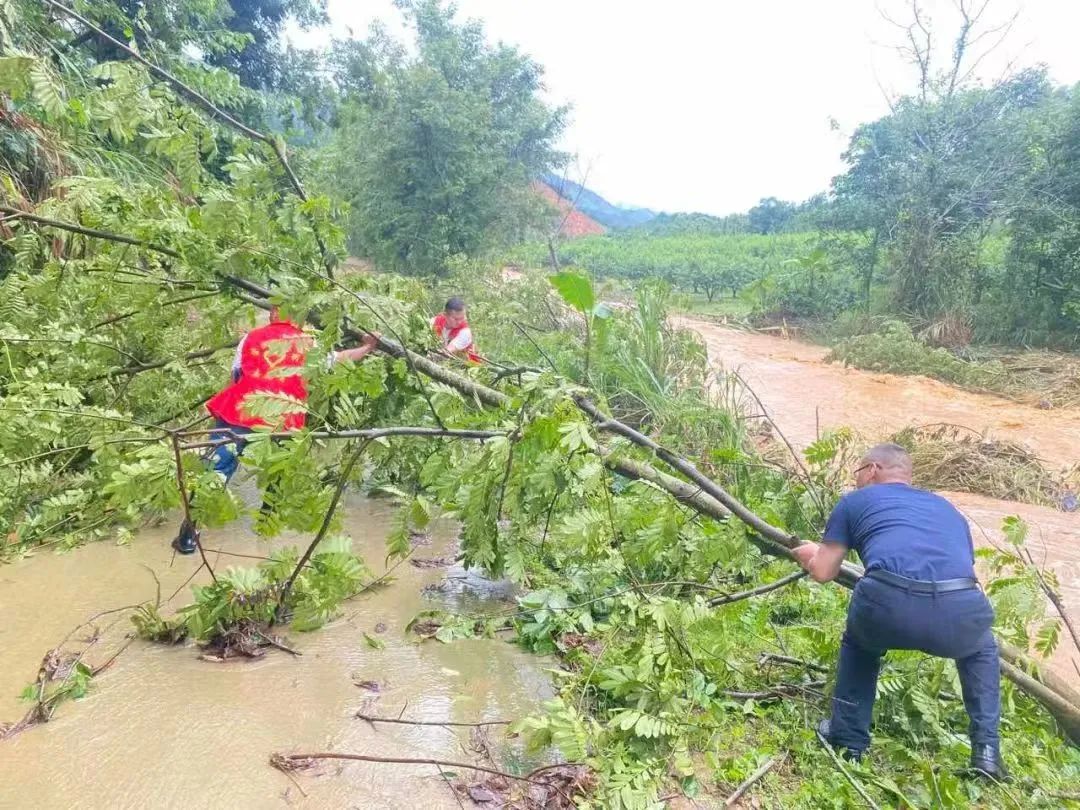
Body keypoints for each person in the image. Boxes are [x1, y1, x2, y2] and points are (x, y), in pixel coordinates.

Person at [791, 443, 1005, 778]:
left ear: (872, 470)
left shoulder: (854, 502)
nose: (856, 480)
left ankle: (848, 739)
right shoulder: (947, 508)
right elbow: (955, 565)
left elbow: (823, 571)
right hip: (960, 606)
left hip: (889, 607)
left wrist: (808, 554)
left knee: (860, 643)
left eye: (858, 472)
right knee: (981, 650)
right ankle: (987, 754)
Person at [172, 308, 379, 554]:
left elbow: (236, 375)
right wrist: (367, 347)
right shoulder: (309, 344)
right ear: (299, 317)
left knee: (216, 469)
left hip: (241, 411)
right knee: (278, 473)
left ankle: (188, 536)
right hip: (284, 420)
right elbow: (339, 359)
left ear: (272, 313)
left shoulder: (250, 337)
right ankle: (265, 529)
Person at [430, 296, 482, 363]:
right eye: (456, 319)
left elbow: (448, 351)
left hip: (467, 365)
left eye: (462, 318)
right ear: (445, 315)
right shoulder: (434, 322)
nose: (459, 322)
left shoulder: (465, 332)